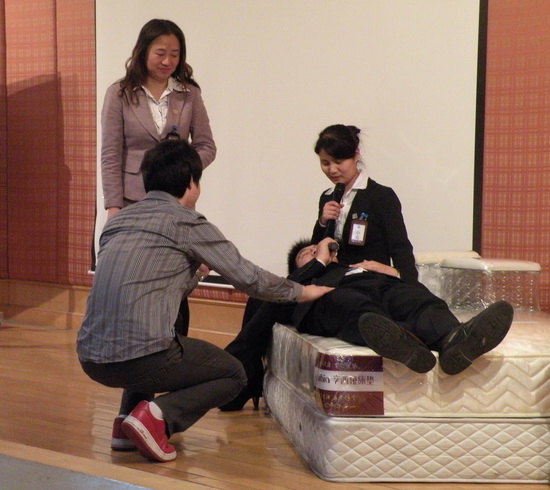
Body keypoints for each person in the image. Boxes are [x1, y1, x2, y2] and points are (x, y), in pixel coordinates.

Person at [77, 139, 332, 463]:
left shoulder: (118, 221)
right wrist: (302, 291)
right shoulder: (187, 222)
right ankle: (155, 418)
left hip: (90, 357)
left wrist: (194, 274)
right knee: (233, 374)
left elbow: (150, 290)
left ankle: (125, 423)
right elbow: (248, 278)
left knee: (149, 325)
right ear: (190, 182)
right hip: (138, 359)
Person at [221, 237, 514, 411]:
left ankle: (454, 340)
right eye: (305, 255)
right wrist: (316, 264)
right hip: (329, 296)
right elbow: (268, 304)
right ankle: (400, 339)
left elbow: (405, 286)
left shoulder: (356, 267)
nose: (313, 252)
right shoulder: (296, 284)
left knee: (417, 299)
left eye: (315, 249)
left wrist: (390, 273)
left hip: (376, 283)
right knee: (353, 306)